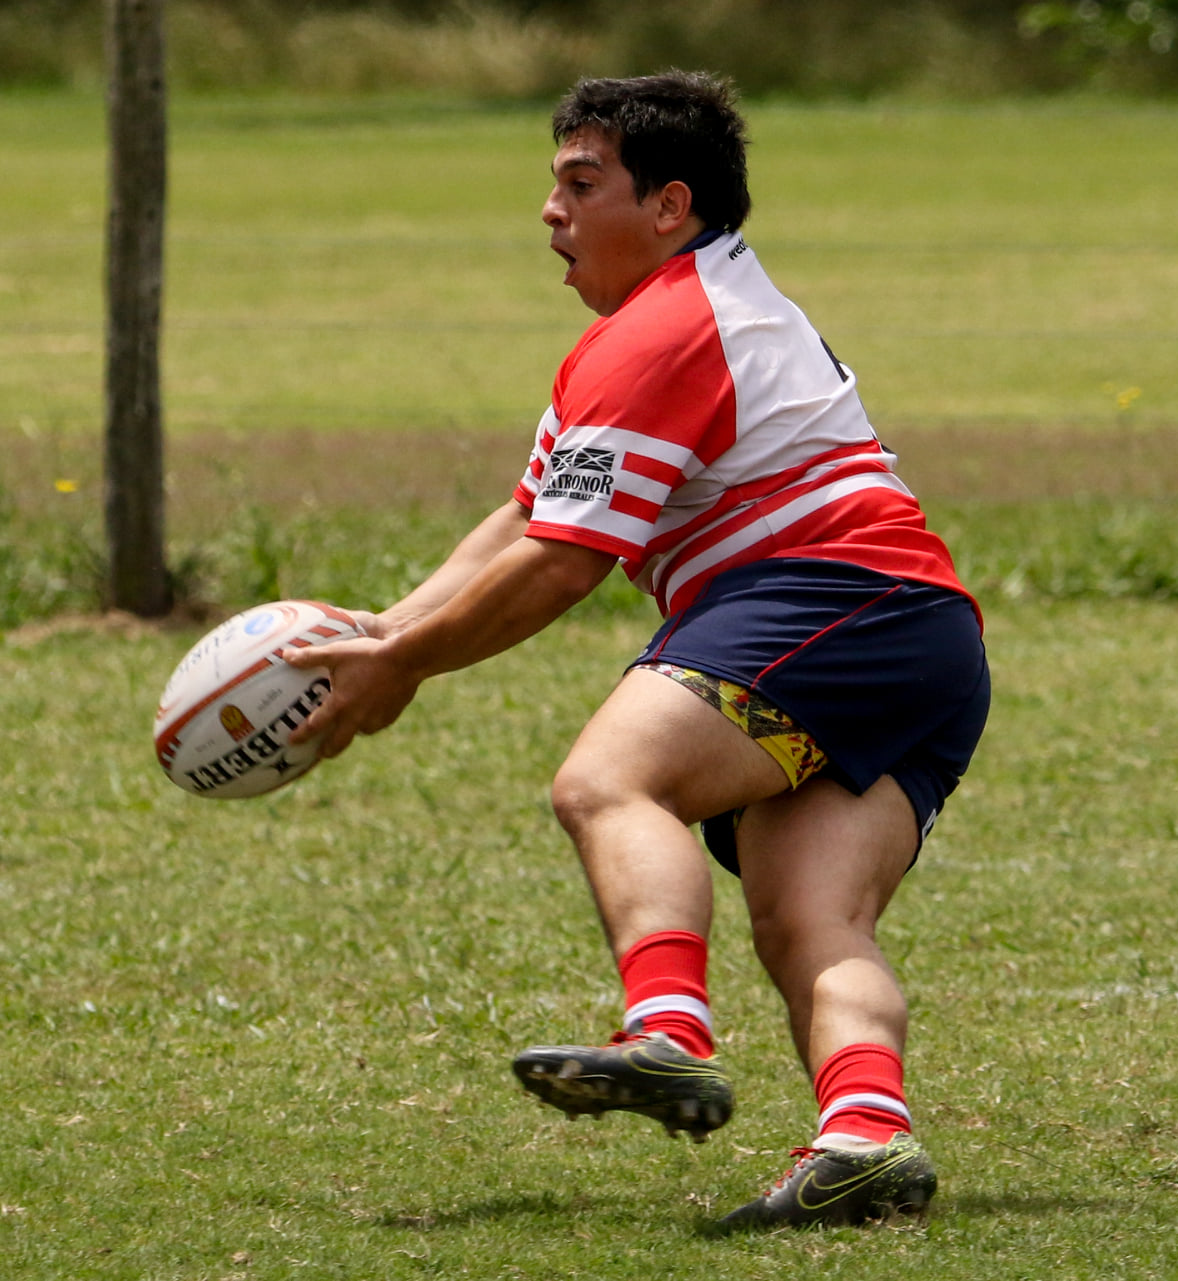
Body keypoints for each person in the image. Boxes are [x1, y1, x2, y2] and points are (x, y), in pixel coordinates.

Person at [283, 70, 989, 1229]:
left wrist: (405, 666)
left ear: (669, 206)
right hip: (921, 637)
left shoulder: (667, 327)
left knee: (609, 783)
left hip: (831, 596)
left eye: (579, 184)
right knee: (810, 921)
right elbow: (527, 517)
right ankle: (867, 1138)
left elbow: (565, 564)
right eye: (551, 186)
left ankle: (666, 1031)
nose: (550, 213)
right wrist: (387, 631)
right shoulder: (674, 319)